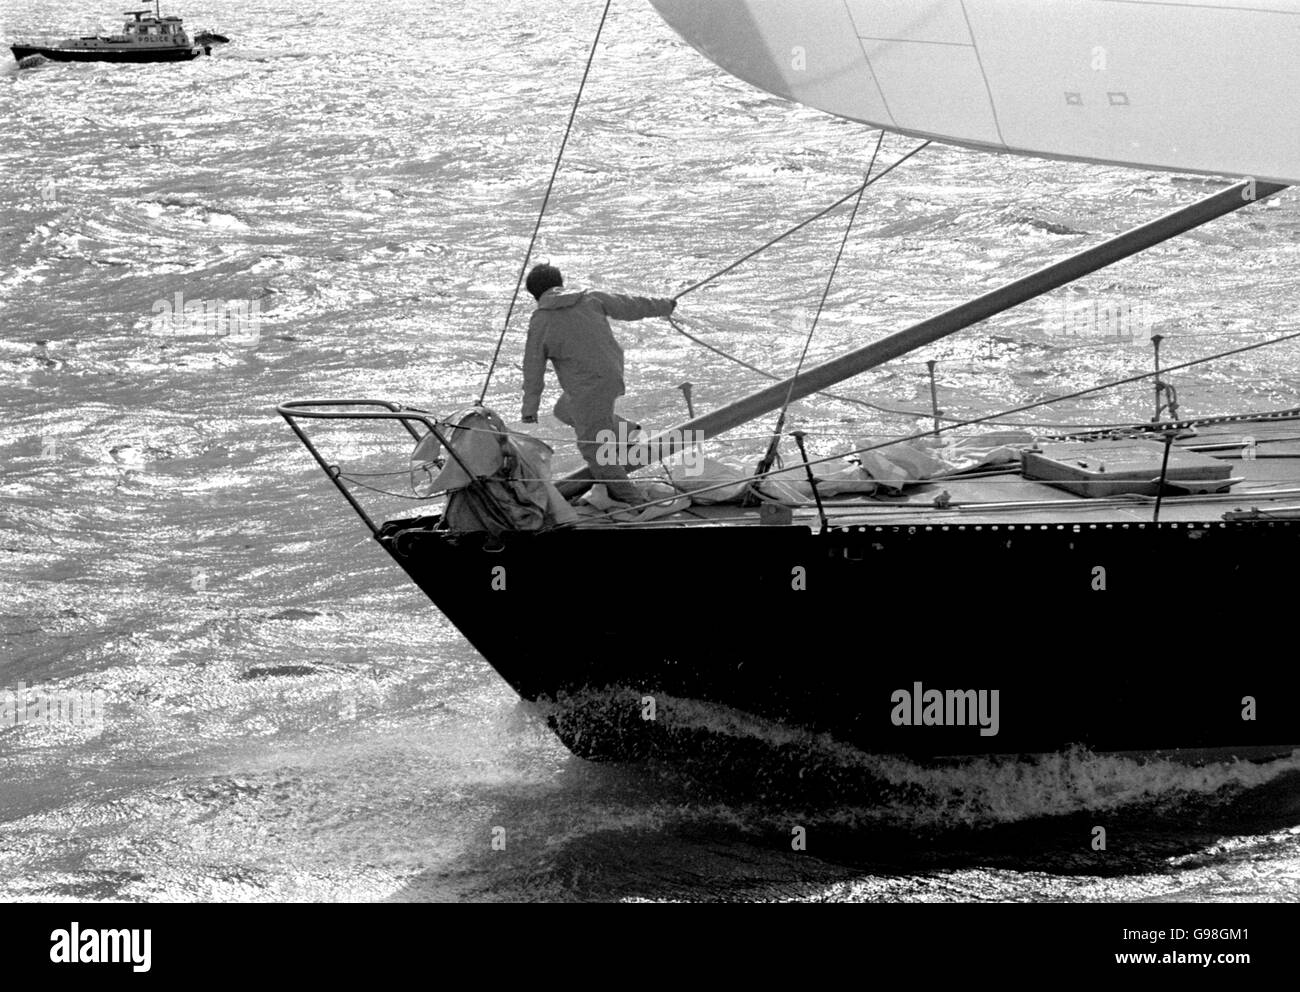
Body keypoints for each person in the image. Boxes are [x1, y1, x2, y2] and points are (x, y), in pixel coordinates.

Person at [519, 263, 676, 504]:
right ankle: (626, 434)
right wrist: (664, 305)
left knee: (595, 450)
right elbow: (630, 304)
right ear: (561, 282)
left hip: (587, 388)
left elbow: (533, 367)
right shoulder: (589, 298)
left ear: (534, 295)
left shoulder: (541, 320)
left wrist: (529, 408)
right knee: (563, 410)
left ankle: (634, 502)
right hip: (611, 376)